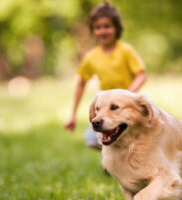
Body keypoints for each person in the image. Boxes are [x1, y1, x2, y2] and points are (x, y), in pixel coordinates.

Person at [63, 1, 146, 149]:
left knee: (139, 137)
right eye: (98, 28)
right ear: (93, 30)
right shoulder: (92, 56)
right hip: (106, 110)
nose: (103, 31)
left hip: (126, 108)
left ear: (116, 28)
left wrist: (128, 95)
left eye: (107, 26)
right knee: (91, 139)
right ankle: (112, 160)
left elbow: (140, 75)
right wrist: (73, 115)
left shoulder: (125, 50)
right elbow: (81, 83)